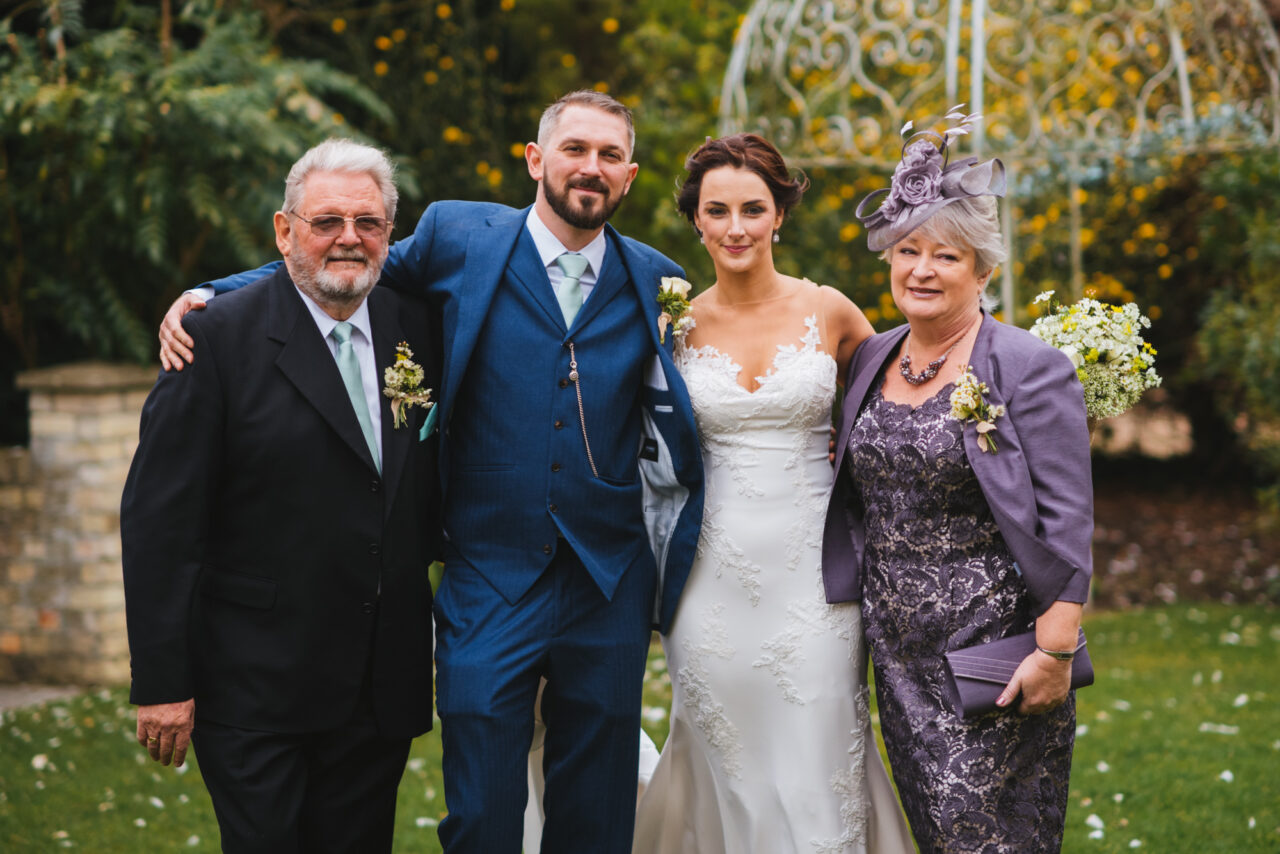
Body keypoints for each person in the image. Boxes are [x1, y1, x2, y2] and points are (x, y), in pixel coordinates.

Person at [156, 91, 704, 854]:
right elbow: (348, 261)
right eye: (575, 149)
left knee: (598, 811)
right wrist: (218, 291)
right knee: (480, 812)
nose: (591, 167)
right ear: (536, 159)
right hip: (488, 572)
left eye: (610, 155)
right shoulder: (460, 238)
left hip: (607, 582)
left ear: (631, 174)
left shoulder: (658, 280)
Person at [121, 139, 442, 853]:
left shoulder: (415, 327)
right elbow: (158, 522)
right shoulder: (213, 339)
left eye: (369, 222)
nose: (348, 238)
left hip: (377, 690)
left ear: (391, 232)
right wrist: (163, 682)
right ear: (284, 230)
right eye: (326, 221)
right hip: (255, 690)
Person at [631, 133, 915, 853]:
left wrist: (844, 450)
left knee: (816, 752)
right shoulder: (676, 326)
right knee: (729, 760)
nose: (735, 227)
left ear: (780, 215)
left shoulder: (831, 311)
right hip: (709, 580)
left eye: (753, 209)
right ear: (695, 219)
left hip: (816, 578)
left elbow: (895, 419)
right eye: (716, 210)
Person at [822, 119, 1094, 851]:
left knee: (984, 834)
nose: (922, 269)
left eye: (946, 255)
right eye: (908, 250)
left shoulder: (1029, 366)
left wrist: (1057, 651)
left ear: (982, 271)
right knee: (937, 832)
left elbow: (1069, 517)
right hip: (897, 654)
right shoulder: (872, 358)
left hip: (995, 654)